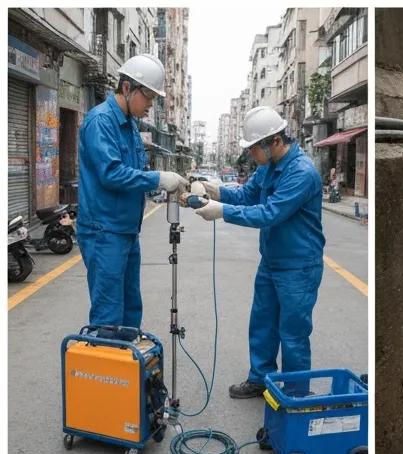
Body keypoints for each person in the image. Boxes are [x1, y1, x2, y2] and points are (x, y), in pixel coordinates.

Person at [191, 106, 325, 398]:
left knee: (292, 335)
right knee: (263, 323)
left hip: (299, 267)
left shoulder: (301, 173)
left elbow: (269, 213)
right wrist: (215, 190)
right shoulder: (268, 167)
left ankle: (295, 395)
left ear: (274, 141)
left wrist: (221, 212)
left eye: (254, 147)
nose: (251, 153)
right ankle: (261, 378)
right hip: (272, 261)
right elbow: (247, 194)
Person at [77, 54, 189, 337]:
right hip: (104, 231)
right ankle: (107, 376)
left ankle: (127, 374)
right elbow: (112, 173)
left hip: (126, 230)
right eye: (148, 97)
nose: (151, 105)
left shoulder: (129, 126)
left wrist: (177, 189)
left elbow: (139, 173)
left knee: (130, 310)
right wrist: (159, 178)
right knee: (109, 315)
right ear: (127, 88)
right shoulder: (100, 121)